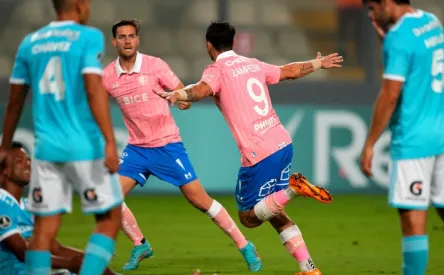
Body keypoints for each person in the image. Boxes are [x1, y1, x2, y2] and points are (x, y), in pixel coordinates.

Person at [155, 20, 341, 275]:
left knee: (248, 217)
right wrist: (317, 63)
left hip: (259, 153)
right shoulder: (252, 64)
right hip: (282, 143)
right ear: (233, 42)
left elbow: (200, 90)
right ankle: (308, 268)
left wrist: (178, 95)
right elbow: (289, 71)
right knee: (275, 213)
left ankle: (294, 189)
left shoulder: (216, 69)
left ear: (209, 46)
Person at [102, 19, 262, 272]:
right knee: (109, 197)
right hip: (136, 149)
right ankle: (140, 244)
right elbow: (96, 105)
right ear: (114, 42)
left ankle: (245, 246)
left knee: (200, 200)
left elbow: (179, 90)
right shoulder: (108, 76)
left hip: (167, 145)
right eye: (122, 37)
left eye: (131, 36)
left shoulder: (155, 66)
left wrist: (181, 100)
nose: (127, 41)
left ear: (138, 40)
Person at [359, 1, 444, 274]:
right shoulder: (432, 21)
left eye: (372, 7)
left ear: (387, 3)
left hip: (414, 140)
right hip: (443, 134)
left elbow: (390, 95)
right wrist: (388, 44)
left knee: (413, 220)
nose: (371, 15)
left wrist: (370, 143)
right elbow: (418, 65)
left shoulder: (398, 38)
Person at [0, 0, 123, 274]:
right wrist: (110, 142)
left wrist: (5, 146)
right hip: (84, 146)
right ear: (81, 4)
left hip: (46, 150)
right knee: (109, 218)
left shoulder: (30, 43)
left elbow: (15, 102)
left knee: (43, 229)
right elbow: (93, 90)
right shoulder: (88, 36)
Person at [0, 142, 118, 275]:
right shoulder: (2, 203)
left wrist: (90, 258)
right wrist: (70, 264)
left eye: (28, 160)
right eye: (19, 161)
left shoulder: (28, 206)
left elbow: (55, 248)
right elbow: (22, 252)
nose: (27, 164)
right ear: (4, 169)